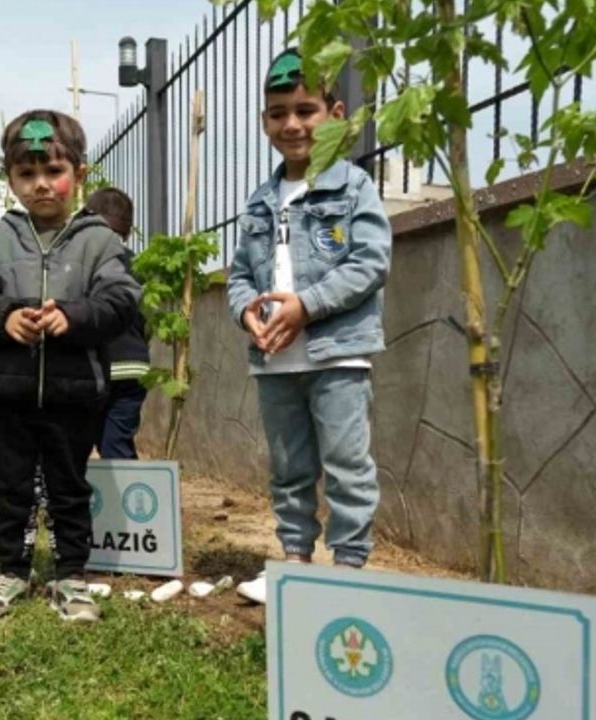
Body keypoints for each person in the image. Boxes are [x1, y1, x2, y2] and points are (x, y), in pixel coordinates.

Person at [0, 109, 141, 623]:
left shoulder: (100, 239)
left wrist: (74, 317)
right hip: (9, 390)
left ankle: (71, 575)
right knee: (11, 486)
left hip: (73, 390)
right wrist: (4, 317)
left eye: (53, 172)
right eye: (27, 175)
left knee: (69, 485)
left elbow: (122, 298)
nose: (41, 186)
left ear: (79, 175)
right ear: (11, 179)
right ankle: (12, 569)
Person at [227, 49, 393, 604]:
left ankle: (347, 569)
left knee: (347, 465)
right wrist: (247, 308)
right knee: (289, 466)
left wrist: (307, 305)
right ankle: (295, 563)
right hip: (274, 360)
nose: (292, 124)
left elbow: (370, 264)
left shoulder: (354, 188)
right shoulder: (257, 202)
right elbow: (238, 277)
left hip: (337, 355)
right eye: (278, 113)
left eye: (306, 109)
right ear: (264, 122)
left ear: (336, 114)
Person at [83, 188, 149, 459]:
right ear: (128, 231)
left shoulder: (84, 263)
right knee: (117, 443)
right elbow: (147, 320)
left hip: (93, 369)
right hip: (133, 366)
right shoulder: (137, 264)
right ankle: (125, 498)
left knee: (78, 442)